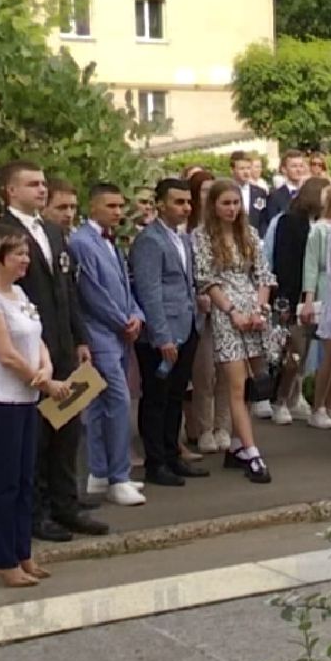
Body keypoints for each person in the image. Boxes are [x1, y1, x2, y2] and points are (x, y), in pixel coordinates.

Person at [0, 162, 106, 542]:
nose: (41, 190)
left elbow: (66, 290)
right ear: (11, 190)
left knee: (67, 428)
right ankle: (36, 513)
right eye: (32, 184)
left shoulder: (54, 231)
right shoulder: (2, 233)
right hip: (28, 348)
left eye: (43, 184)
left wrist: (80, 338)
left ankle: (65, 504)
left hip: (63, 344)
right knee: (37, 434)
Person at [0, 228, 68, 587]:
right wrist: (45, 382)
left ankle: (23, 552)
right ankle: (3, 559)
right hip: (0, 401)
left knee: (26, 479)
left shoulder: (20, 293)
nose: (25, 260)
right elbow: (6, 354)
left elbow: (35, 338)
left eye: (26, 253)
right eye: (18, 254)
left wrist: (46, 366)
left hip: (27, 399)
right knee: (5, 482)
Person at [69, 183, 147, 507]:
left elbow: (125, 284)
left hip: (117, 332)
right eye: (111, 206)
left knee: (102, 404)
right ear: (93, 206)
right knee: (116, 400)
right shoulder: (82, 242)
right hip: (99, 332)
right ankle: (118, 476)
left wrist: (136, 314)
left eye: (120, 206)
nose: (118, 212)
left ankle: (100, 473)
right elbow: (92, 291)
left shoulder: (111, 242)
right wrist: (122, 320)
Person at [193, 179, 276, 483]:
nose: (231, 209)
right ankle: (252, 453)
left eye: (235, 203)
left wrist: (259, 309)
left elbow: (264, 275)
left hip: (253, 308)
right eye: (225, 203)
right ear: (213, 206)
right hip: (226, 312)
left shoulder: (249, 233)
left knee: (258, 382)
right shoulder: (201, 237)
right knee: (236, 385)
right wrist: (232, 312)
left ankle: (240, 444)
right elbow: (207, 280)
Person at [130, 179, 210, 488]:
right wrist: (161, 336)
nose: (186, 208)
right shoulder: (150, 240)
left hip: (187, 324)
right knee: (157, 397)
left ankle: (172, 453)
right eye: (178, 202)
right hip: (163, 332)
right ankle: (156, 461)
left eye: (188, 202)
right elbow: (149, 291)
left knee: (176, 395)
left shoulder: (183, 238)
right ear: (160, 204)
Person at [183, 169, 231, 456]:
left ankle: (223, 425)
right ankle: (203, 427)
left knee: (228, 371)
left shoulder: (229, 231)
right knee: (204, 372)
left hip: (229, 309)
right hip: (203, 309)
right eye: (204, 192)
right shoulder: (190, 234)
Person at [268, 179, 322, 425]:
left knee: (305, 349)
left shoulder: (319, 224)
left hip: (314, 296)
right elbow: (284, 263)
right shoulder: (289, 222)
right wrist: (284, 301)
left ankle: (294, 397)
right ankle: (278, 399)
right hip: (291, 295)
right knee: (292, 351)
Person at [303, 182, 331, 430]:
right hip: (324, 289)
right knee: (327, 355)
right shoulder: (320, 229)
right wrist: (309, 298)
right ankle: (317, 405)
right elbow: (311, 265)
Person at [263, 150, 310, 231]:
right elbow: (273, 224)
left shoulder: (310, 193)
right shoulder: (275, 196)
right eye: (294, 166)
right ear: (284, 169)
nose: (298, 170)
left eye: (301, 166)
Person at [231, 151, 271, 234]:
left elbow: (263, 219)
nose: (246, 172)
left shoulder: (260, 192)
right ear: (232, 170)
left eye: (248, 168)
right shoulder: (227, 191)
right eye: (242, 169)